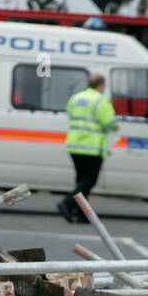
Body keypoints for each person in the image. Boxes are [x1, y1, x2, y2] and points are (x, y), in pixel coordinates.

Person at [59, 72, 117, 223]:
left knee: (81, 180)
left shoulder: (76, 98)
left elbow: (69, 113)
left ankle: (80, 213)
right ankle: (67, 202)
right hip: (91, 147)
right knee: (90, 181)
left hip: (75, 145)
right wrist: (115, 127)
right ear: (101, 85)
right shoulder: (101, 100)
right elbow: (109, 123)